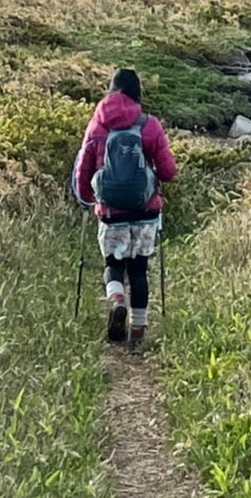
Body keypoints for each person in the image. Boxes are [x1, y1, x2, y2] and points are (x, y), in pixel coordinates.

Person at [71, 68, 177, 348]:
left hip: (111, 212)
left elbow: (83, 169)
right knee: (139, 269)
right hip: (146, 211)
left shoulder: (97, 125)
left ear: (110, 90)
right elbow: (167, 172)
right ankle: (138, 334)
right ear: (136, 92)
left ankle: (117, 299)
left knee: (113, 266)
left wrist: (87, 199)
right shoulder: (149, 124)